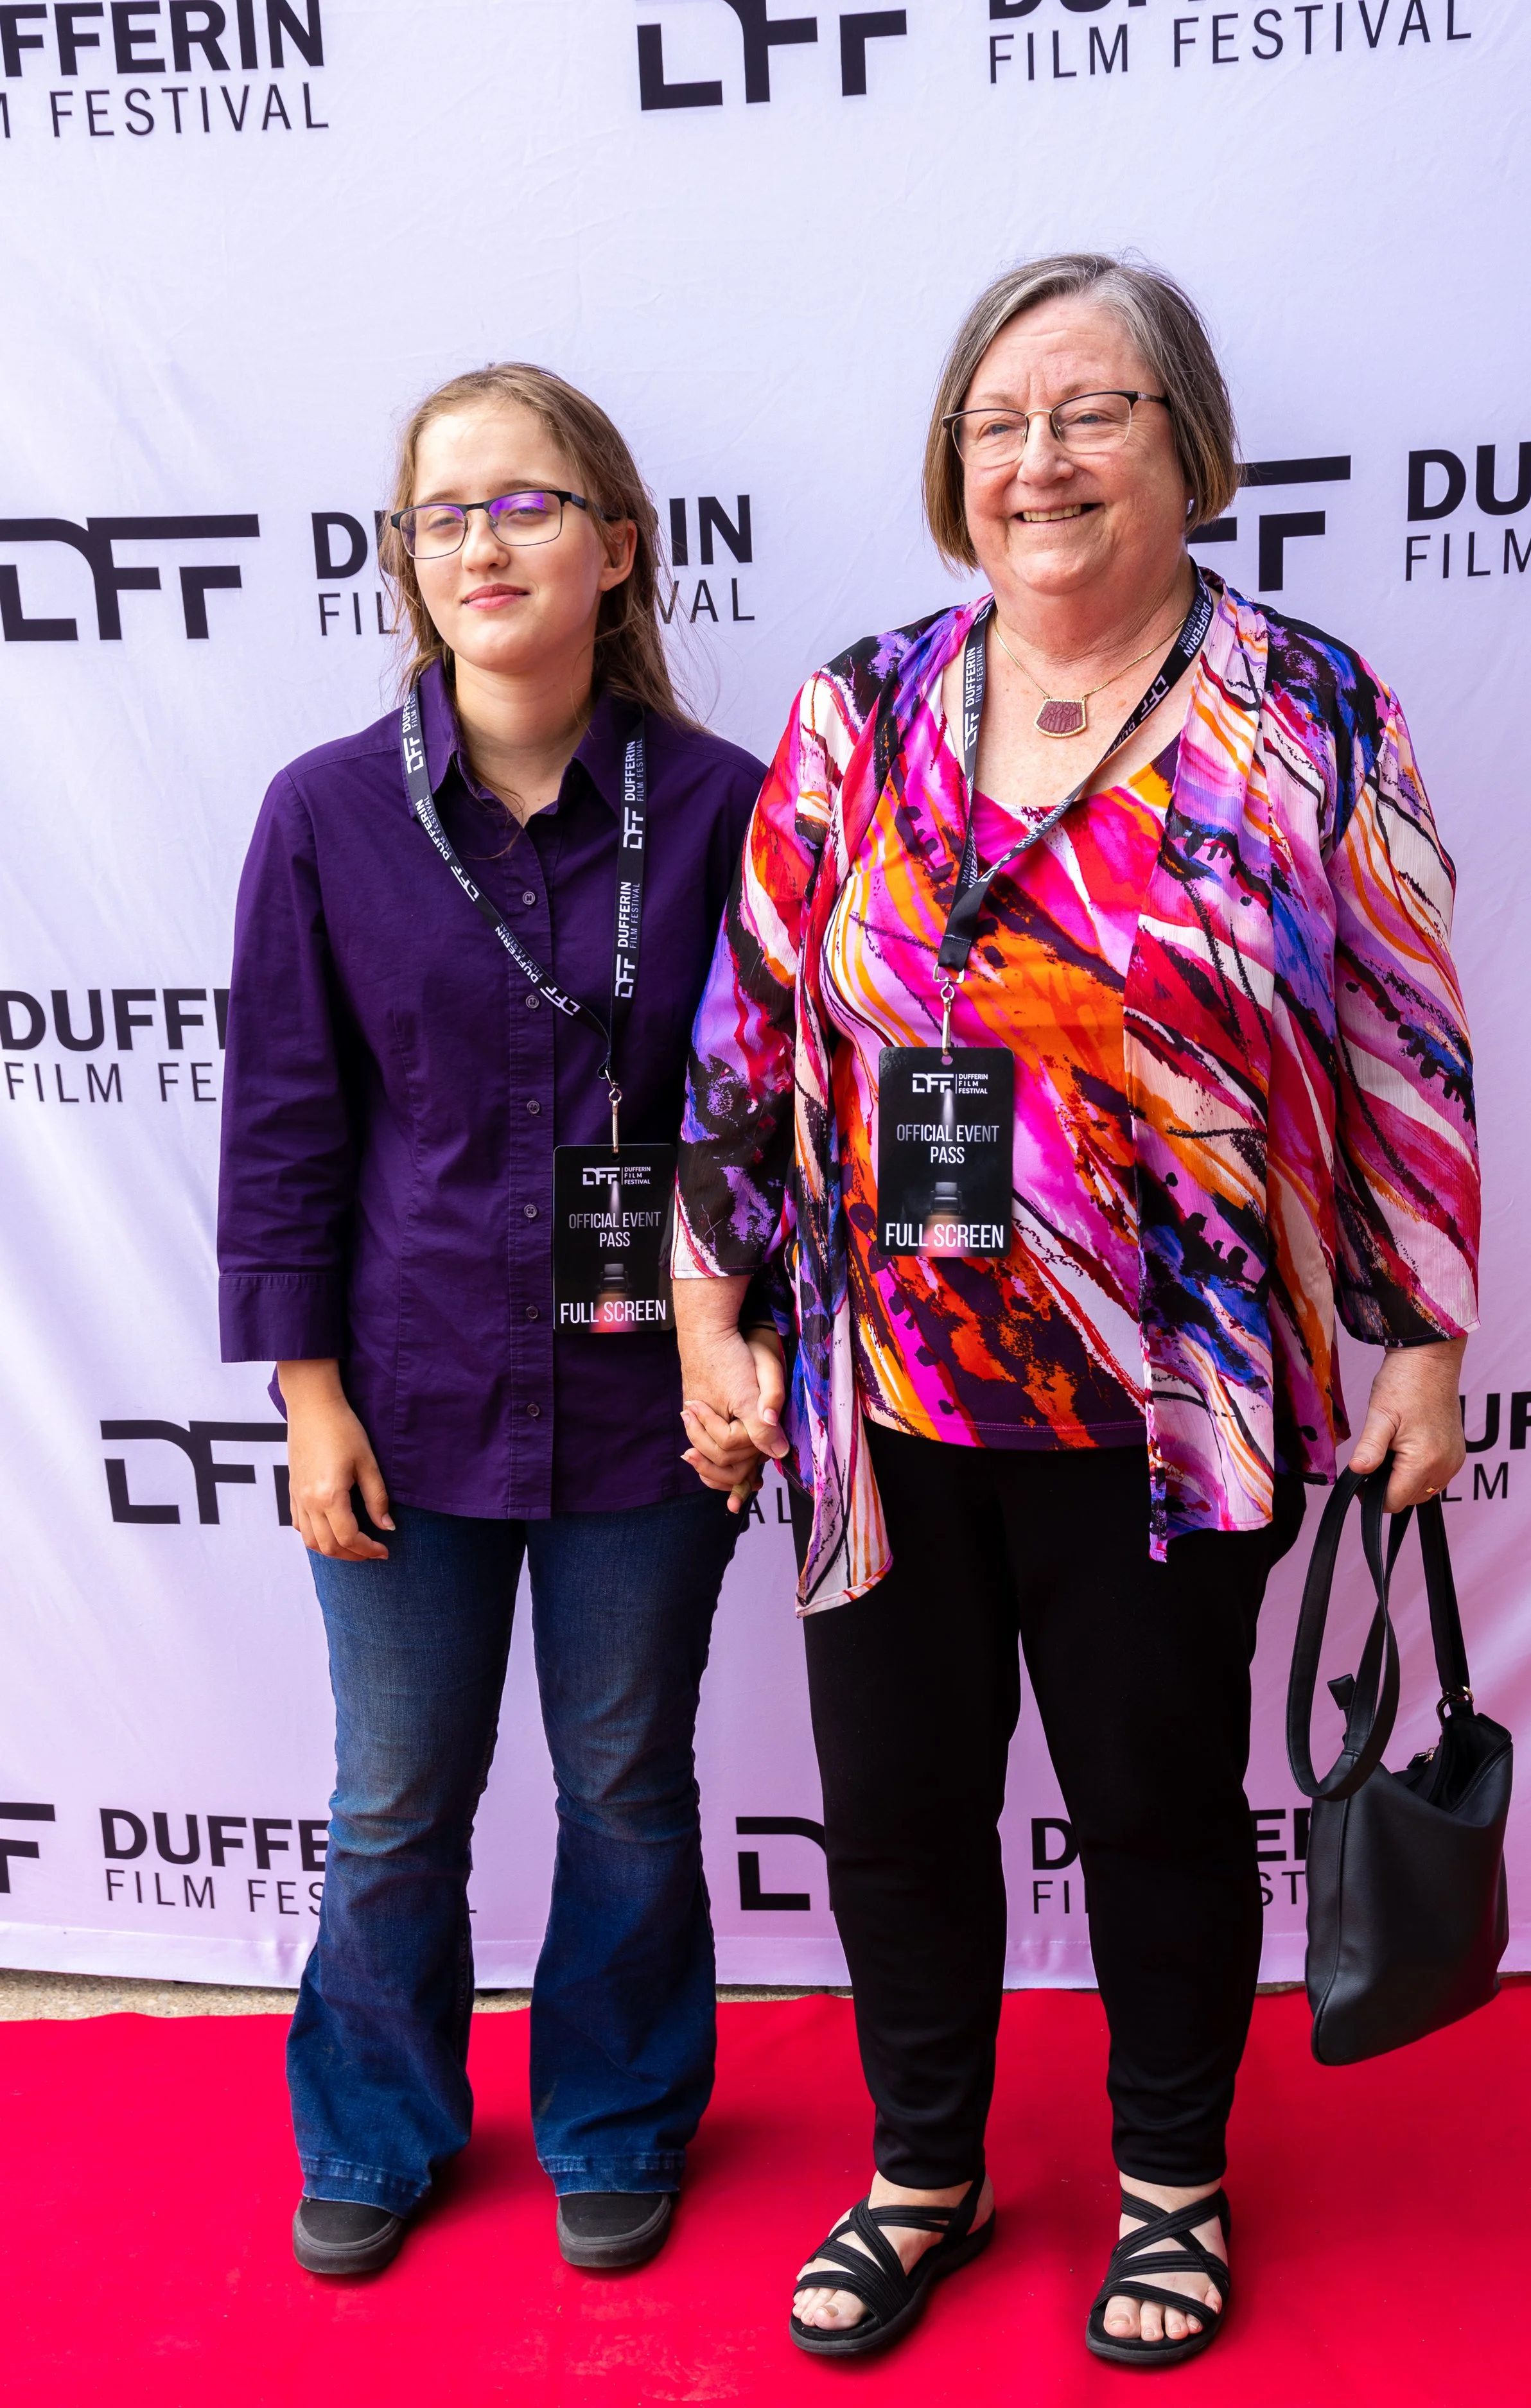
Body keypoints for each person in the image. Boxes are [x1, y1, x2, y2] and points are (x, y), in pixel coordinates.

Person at [670, 254, 1478, 2366]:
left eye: (1091, 410)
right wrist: (701, 1311)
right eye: (999, 419)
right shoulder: (860, 707)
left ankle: (1169, 2188)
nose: (1037, 458)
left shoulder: (1309, 709)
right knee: (897, 1816)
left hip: (1176, 1393)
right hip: (882, 1396)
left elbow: (1403, 1041)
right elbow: (742, 1037)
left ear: (1186, 446)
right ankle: (921, 2170)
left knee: (1153, 1809)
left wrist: (1425, 1336)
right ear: (954, 464)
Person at [218, 363, 767, 2279]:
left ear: (615, 549)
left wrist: (725, 1337)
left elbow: (747, 1105)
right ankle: (374, 2121)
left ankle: (614, 2111)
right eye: (441, 515)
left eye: (523, 504)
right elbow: (285, 1120)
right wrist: (307, 1401)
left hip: (646, 1407)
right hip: (411, 1392)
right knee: (393, 1795)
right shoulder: (321, 817)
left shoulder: (730, 807)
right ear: (406, 566)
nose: (480, 543)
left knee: (626, 1777)